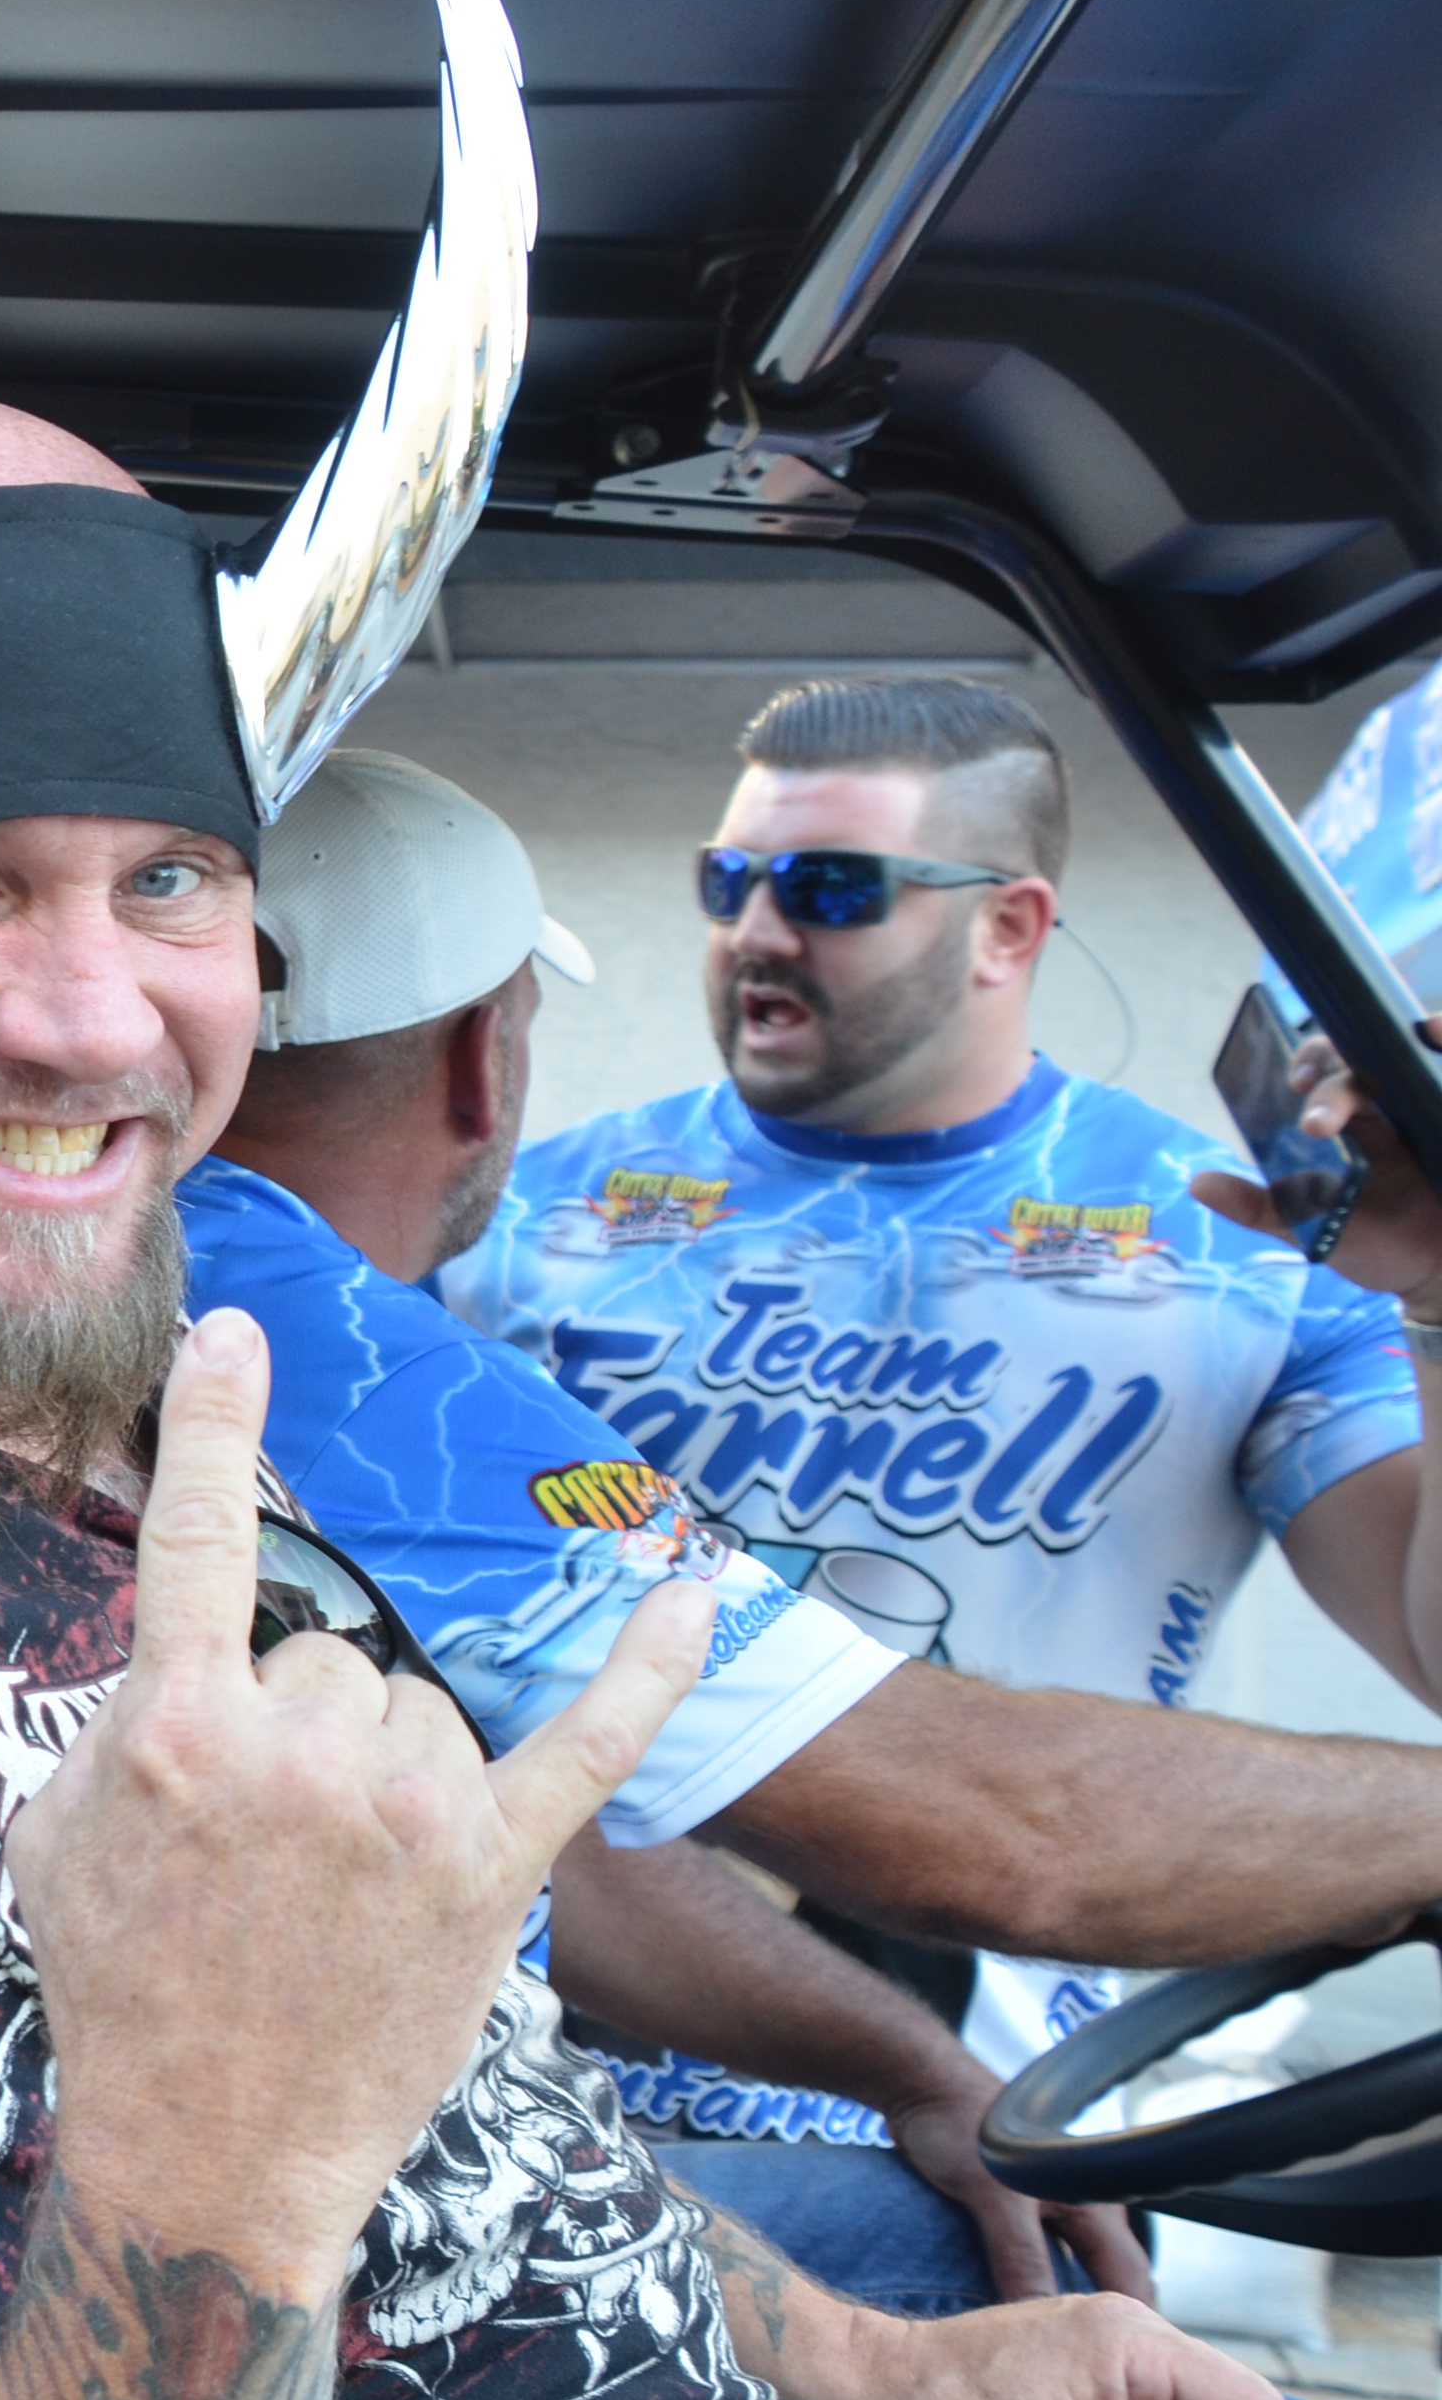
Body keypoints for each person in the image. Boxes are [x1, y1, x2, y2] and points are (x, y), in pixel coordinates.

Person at [0, 396, 1442, 2400]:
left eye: (171, 879)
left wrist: (887, 2372)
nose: (90, 1018)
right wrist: (226, 2167)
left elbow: (450, 2114)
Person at [441, 676, 1442, 2298]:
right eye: (729, 881)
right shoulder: (520, 1220)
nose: (758, 931)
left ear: (1008, 927)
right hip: (540, 2122)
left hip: (992, 2156)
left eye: (833, 889)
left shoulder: (1235, 1250)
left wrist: (1437, 1299)